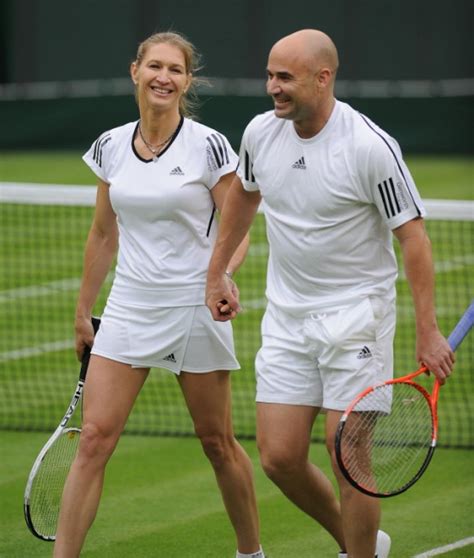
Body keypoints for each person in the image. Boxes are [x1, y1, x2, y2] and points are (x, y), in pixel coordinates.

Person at [206, 29, 455, 558]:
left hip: (357, 319)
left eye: (285, 77)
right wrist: (218, 271)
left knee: (348, 453)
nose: (273, 87)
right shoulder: (259, 133)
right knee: (278, 457)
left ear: (323, 78)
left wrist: (428, 330)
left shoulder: (369, 147)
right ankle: (362, 541)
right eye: (270, 75)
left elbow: (413, 238)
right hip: (287, 318)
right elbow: (243, 199)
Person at [53, 31, 265, 558]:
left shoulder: (209, 145)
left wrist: (221, 278)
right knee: (96, 439)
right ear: (135, 71)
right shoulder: (108, 145)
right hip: (128, 307)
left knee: (216, 442)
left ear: (187, 80)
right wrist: (85, 311)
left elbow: (236, 225)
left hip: (195, 307)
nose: (163, 77)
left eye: (175, 69)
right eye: (155, 66)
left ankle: (251, 553)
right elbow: (104, 234)